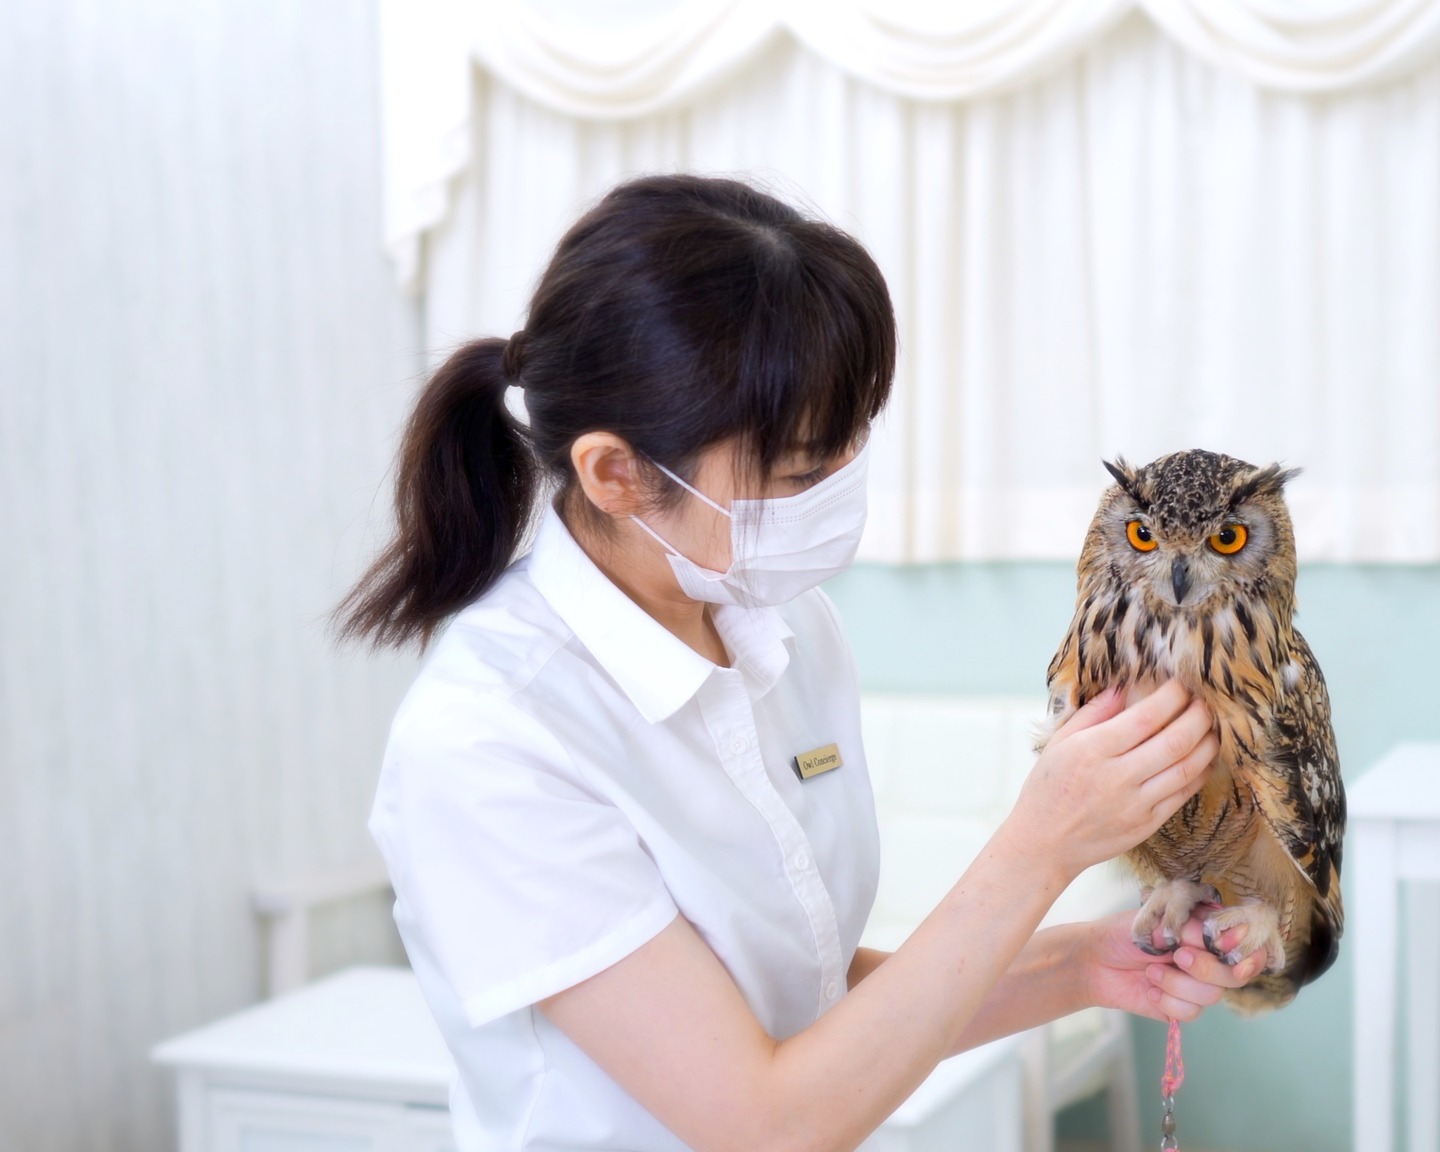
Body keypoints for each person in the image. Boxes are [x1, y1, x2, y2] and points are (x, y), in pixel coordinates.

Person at [340, 174, 1260, 1152]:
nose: (835, 490)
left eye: (849, 449)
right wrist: (1043, 843)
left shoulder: (785, 628)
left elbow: (802, 994)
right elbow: (763, 1116)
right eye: (798, 473)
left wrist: (1081, 964)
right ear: (615, 474)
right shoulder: (491, 741)